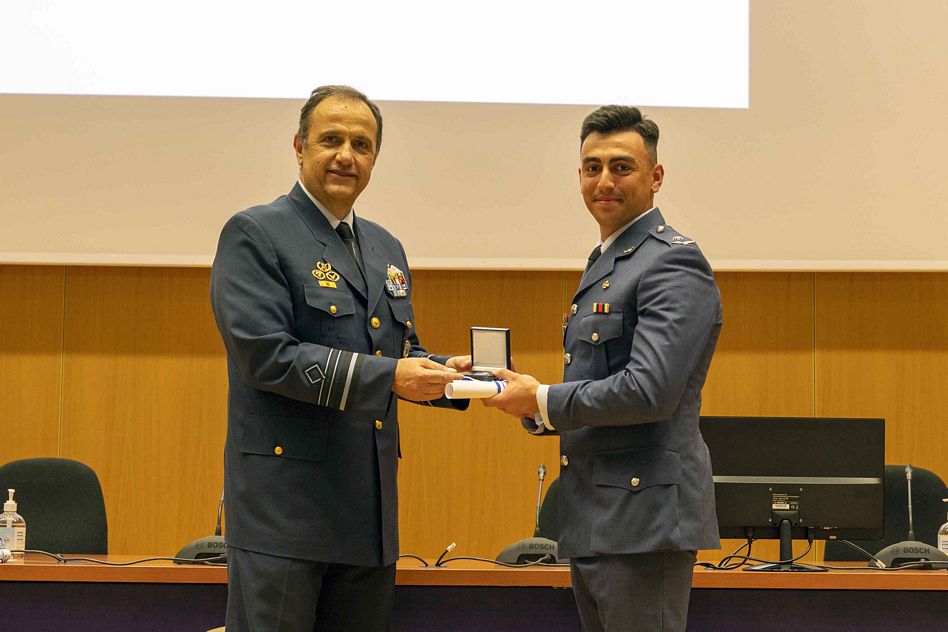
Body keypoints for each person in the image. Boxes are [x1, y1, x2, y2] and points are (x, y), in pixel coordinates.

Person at [210, 85, 470, 631]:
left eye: (362, 144)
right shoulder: (256, 232)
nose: (346, 155)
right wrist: (392, 375)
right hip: (283, 516)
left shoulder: (385, 247)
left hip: (367, 515)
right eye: (331, 140)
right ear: (299, 146)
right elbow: (266, 356)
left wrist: (455, 379)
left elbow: (398, 353)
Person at [485, 105, 722, 632]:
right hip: (598, 516)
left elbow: (650, 391)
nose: (604, 181)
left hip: (643, 522)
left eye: (621, 167)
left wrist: (543, 398)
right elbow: (598, 383)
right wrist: (530, 403)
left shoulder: (671, 261)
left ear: (655, 177)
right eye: (592, 168)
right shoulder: (610, 261)